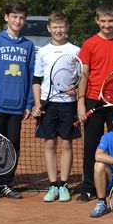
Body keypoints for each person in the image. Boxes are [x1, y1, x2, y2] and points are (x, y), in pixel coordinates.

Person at [75, 3, 113, 202]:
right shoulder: (89, 44)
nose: (107, 25)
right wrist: (81, 102)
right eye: (103, 21)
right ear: (97, 21)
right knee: (91, 145)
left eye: (110, 21)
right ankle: (89, 187)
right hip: (94, 99)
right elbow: (84, 74)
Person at [0, 1, 36, 204]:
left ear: (24, 20)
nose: (17, 20)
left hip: (17, 106)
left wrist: (29, 104)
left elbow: (31, 77)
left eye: (21, 17)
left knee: (12, 146)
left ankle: (6, 183)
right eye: (14, 16)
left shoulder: (29, 46)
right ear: (6, 17)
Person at [31, 11, 82, 203]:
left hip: (68, 105)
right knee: (50, 144)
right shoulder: (43, 51)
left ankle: (64, 185)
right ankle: (53, 185)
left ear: (67, 28)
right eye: (55, 27)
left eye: (61, 27)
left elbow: (81, 77)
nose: (58, 30)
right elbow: (37, 80)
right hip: (48, 104)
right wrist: (37, 104)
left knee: (67, 143)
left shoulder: (76, 51)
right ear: (49, 29)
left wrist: (75, 88)